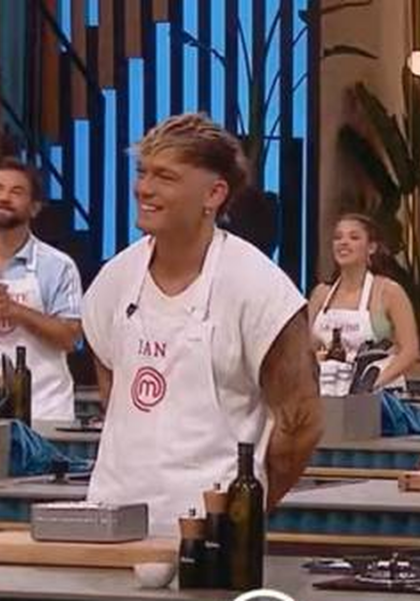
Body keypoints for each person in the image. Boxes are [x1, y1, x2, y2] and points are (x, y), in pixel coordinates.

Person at [81, 113, 323, 534]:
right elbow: (112, 390)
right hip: (112, 522)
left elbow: (301, 426)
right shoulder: (114, 280)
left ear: (214, 193)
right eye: (142, 173)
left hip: (215, 533)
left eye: (165, 177)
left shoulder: (259, 289)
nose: (144, 188)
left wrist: (242, 514)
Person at [0, 158, 83, 422]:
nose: (4, 198)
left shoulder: (58, 266)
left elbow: (70, 338)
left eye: (16, 192)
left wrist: (15, 311)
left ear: (35, 207)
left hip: (45, 411)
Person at [308, 213, 418, 390]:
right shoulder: (321, 294)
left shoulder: (389, 292)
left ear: (371, 247)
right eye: (338, 237)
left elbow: (410, 351)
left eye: (354, 237)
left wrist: (371, 384)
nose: (343, 242)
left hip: (379, 395)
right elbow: (307, 347)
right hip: (327, 392)